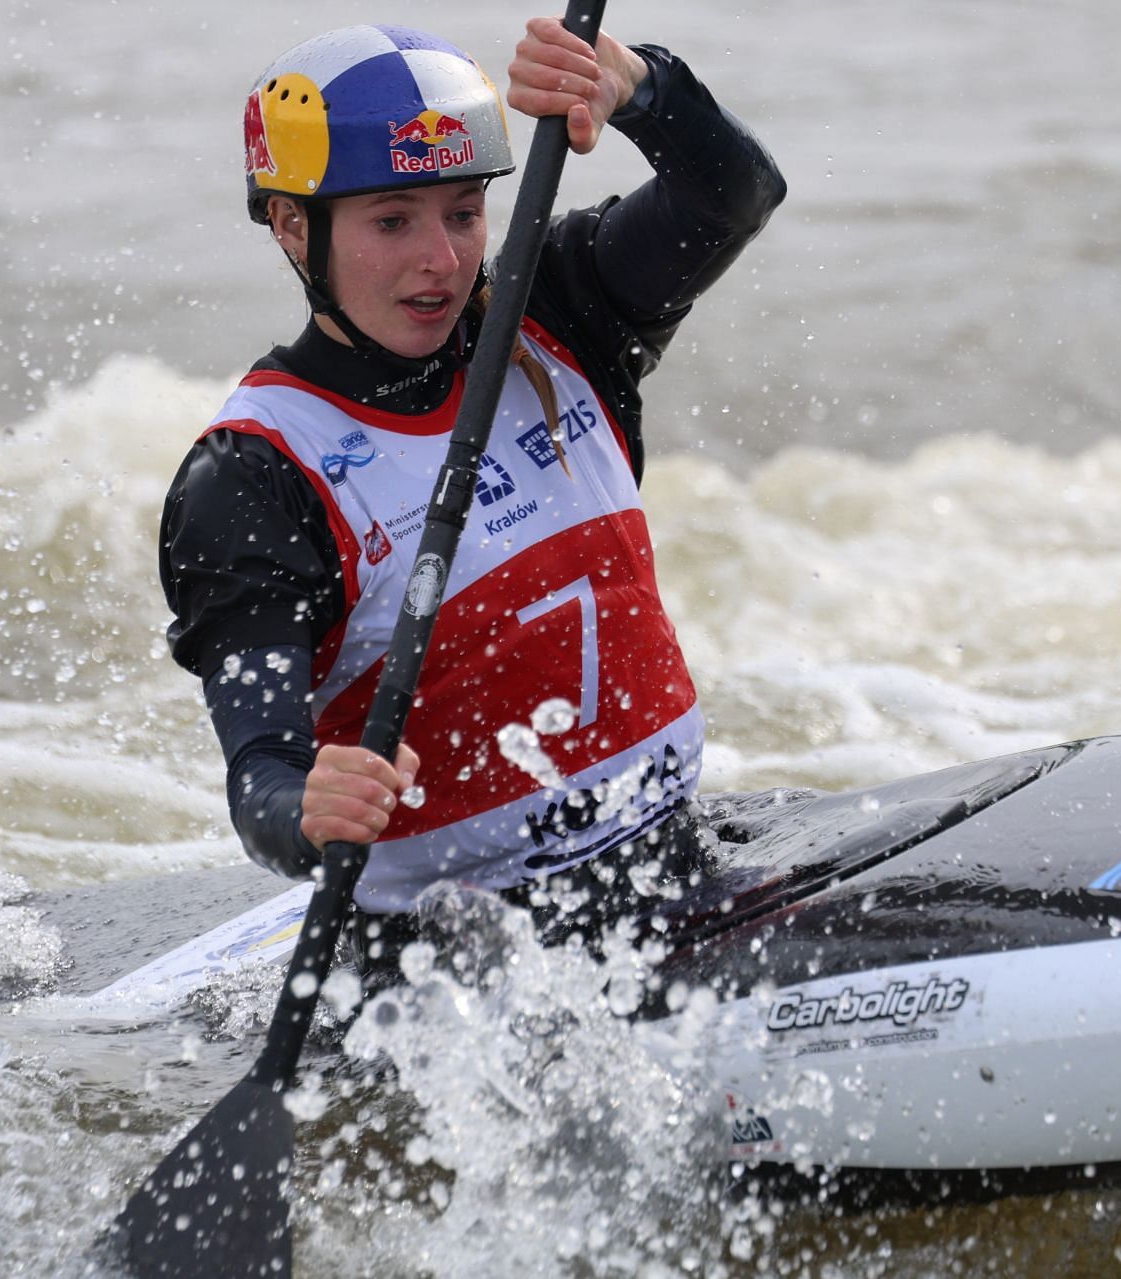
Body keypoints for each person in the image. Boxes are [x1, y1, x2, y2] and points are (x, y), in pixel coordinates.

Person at [159, 19, 784, 978]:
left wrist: (641, 88)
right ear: (294, 226)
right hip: (455, 963)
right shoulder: (255, 475)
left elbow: (733, 196)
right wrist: (303, 812)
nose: (442, 261)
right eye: (392, 220)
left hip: (671, 866)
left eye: (462, 211)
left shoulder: (563, 312)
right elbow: (265, 778)